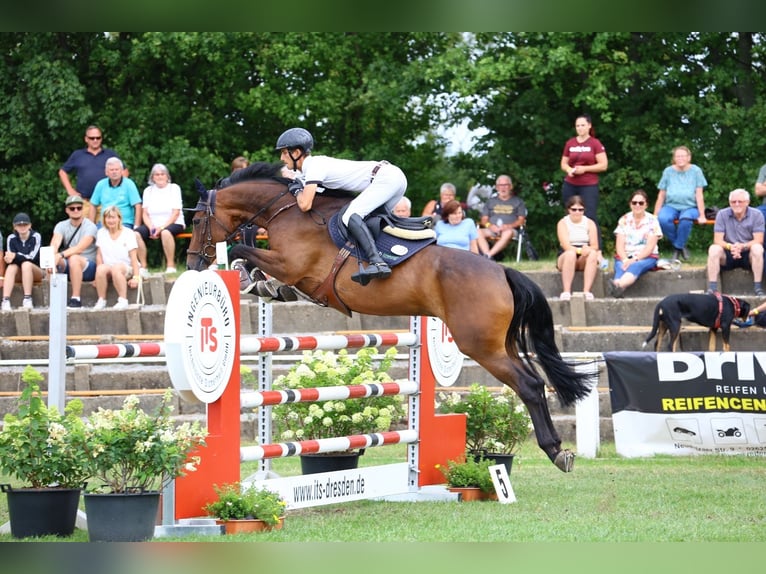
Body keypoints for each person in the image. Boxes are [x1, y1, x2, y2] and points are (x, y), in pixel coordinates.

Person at [275, 127, 407, 284]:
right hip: (393, 177)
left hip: (386, 178)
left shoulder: (314, 166)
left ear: (295, 153)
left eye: (284, 152)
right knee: (372, 221)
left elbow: (305, 205)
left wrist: (297, 192)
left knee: (350, 215)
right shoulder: (311, 168)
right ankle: (386, 257)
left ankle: (377, 262)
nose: (282, 158)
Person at [560, 114, 608, 248]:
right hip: (571, 183)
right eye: (577, 126)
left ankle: (596, 249)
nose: (580, 128)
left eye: (582, 125)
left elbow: (603, 165)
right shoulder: (570, 143)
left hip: (588, 185)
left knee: (589, 215)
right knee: (570, 214)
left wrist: (585, 169)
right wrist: (569, 169)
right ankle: (566, 247)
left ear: (589, 126)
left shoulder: (595, 143)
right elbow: (563, 163)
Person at [706, 188, 765, 297]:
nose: (737, 204)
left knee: (758, 248)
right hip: (728, 252)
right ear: (729, 203)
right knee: (713, 249)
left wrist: (743, 246)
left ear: (747, 202)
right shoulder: (722, 214)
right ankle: (712, 289)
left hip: (748, 253)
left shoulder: (757, 215)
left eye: (740, 201)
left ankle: (758, 288)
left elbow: (759, 239)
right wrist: (730, 247)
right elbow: (717, 240)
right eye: (733, 202)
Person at [654, 145, 708, 261]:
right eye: (678, 156)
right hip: (671, 205)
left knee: (685, 219)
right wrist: (655, 214)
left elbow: (699, 194)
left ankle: (676, 250)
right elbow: (661, 194)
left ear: (689, 157)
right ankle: (681, 246)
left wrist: (702, 215)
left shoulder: (696, 171)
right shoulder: (668, 171)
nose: (680, 158)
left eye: (683, 156)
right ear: (674, 158)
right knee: (662, 219)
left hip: (690, 207)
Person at [608, 190, 662, 298]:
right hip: (625, 256)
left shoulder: (653, 221)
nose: (637, 205)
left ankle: (617, 286)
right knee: (621, 266)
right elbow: (619, 245)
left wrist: (635, 259)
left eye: (641, 203)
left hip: (646, 257)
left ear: (646, 205)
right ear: (630, 204)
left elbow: (650, 247)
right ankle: (617, 289)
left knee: (636, 266)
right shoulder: (624, 219)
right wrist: (625, 259)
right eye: (634, 202)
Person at [133, 163, 185, 274]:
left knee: (165, 233)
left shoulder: (174, 188)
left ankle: (170, 265)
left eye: (162, 174)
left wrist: (161, 228)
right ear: (152, 177)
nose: (160, 176)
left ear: (167, 176)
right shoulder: (148, 190)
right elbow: (145, 213)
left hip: (174, 223)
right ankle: (143, 266)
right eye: (156, 174)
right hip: (152, 224)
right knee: (135, 234)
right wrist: (151, 227)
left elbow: (176, 213)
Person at [50, 195, 99, 308]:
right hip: (70, 264)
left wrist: (60, 255)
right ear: (67, 210)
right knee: (54, 261)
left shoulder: (90, 226)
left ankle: (76, 298)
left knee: (74, 258)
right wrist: (52, 257)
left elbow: (80, 248)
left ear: (83, 209)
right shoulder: (61, 225)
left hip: (88, 265)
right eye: (72, 208)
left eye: (79, 208)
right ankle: (54, 298)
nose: (76, 210)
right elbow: (55, 242)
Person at [93, 205, 140, 310]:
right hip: (109, 266)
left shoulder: (128, 233)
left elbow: (133, 257)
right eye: (108, 217)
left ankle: (123, 300)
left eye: (113, 217)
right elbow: (99, 255)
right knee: (100, 269)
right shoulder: (101, 233)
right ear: (104, 219)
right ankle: (101, 300)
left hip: (126, 267)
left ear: (119, 218)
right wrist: (98, 277)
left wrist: (136, 277)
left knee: (116, 268)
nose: (111, 220)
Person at [58, 125, 119, 204]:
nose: (95, 140)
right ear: (86, 139)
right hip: (84, 202)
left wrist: (117, 189)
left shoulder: (110, 154)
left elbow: (124, 171)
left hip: (106, 202)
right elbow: (62, 172)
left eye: (98, 138)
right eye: (92, 138)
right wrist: (70, 190)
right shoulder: (78, 155)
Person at [556, 195, 600, 301]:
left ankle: (587, 291)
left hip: (584, 253)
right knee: (570, 254)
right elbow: (565, 245)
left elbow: (595, 245)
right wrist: (579, 250)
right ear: (568, 210)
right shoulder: (563, 223)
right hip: (567, 254)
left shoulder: (590, 223)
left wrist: (588, 250)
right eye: (574, 209)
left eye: (580, 210)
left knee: (593, 254)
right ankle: (566, 291)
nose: (577, 212)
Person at [476, 174, 527, 260]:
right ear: (497, 187)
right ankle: (487, 255)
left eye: (505, 185)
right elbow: (484, 219)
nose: (503, 188)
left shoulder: (518, 201)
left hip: (510, 230)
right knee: (477, 232)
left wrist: (508, 226)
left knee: (508, 232)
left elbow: (521, 220)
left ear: (510, 187)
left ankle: (488, 256)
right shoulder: (490, 202)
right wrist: (490, 226)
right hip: (492, 229)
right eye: (500, 185)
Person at [2, 213, 44, 310]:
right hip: (19, 272)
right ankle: (5, 300)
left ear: (30, 225)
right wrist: (11, 258)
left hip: (36, 270)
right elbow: (10, 259)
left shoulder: (36, 236)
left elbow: (33, 257)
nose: (22, 227)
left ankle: (27, 299)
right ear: (14, 226)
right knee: (11, 267)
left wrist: (16, 256)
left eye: (25, 224)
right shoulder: (11, 238)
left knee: (26, 264)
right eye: (19, 225)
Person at [89, 157, 143, 230]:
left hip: (124, 222)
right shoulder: (101, 184)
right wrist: (91, 226)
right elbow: (93, 204)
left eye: (117, 169)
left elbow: (138, 205)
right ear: (106, 172)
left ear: (121, 171)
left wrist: (136, 226)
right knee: (92, 236)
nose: (114, 172)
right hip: (104, 223)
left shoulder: (129, 184)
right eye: (111, 170)